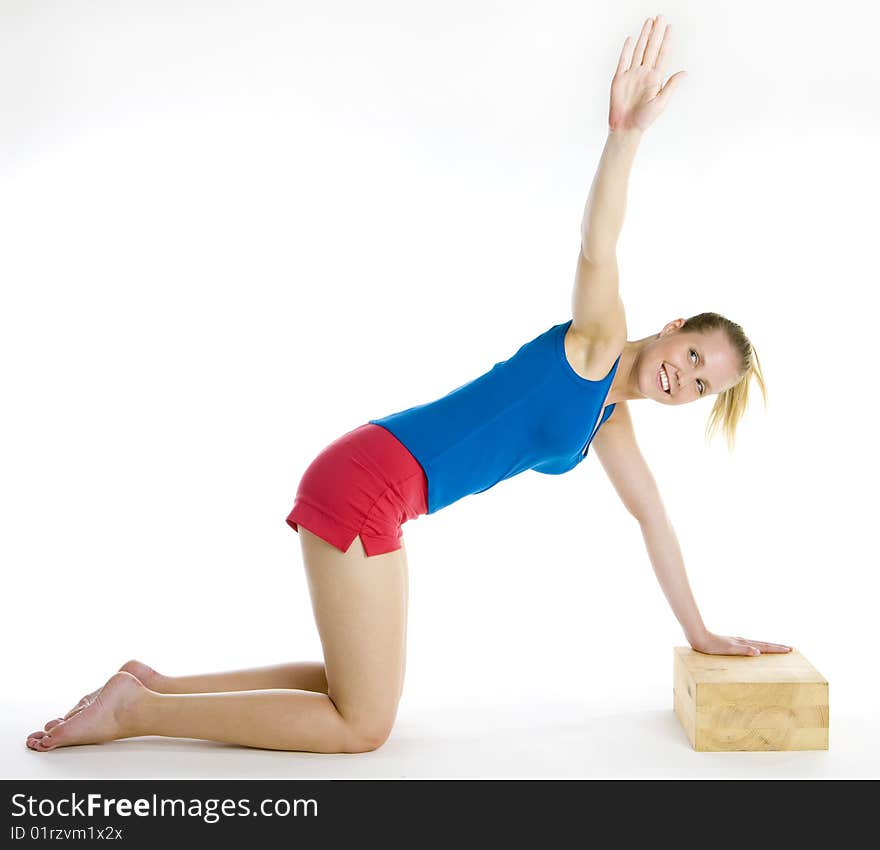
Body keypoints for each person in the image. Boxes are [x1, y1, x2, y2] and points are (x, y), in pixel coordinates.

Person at [26, 15, 790, 755]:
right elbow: (599, 244)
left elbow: (652, 519)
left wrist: (702, 633)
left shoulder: (606, 417)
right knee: (361, 726)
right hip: (368, 483)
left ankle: (149, 686)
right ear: (673, 326)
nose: (684, 379)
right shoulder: (595, 346)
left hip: (378, 484)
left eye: (700, 387)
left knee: (351, 687)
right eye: (693, 356)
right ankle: (137, 716)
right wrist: (623, 140)